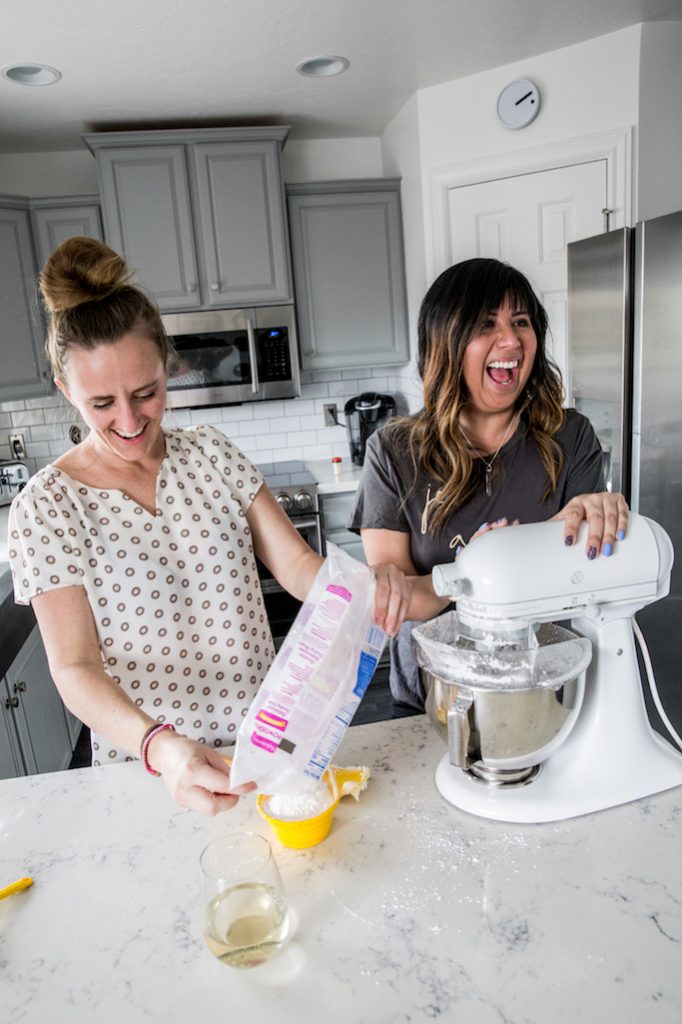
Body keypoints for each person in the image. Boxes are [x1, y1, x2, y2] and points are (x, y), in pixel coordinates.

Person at [7, 237, 412, 815]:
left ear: (168, 367)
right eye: (101, 403)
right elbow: (74, 668)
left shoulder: (212, 456)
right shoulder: (47, 508)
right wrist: (162, 748)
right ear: (66, 391)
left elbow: (298, 567)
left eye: (146, 393)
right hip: (147, 773)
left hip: (264, 754)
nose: (128, 421)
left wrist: (369, 591)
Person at [348, 257, 629, 713]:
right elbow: (395, 597)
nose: (511, 340)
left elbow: (584, 571)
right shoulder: (394, 452)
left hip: (543, 692)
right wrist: (477, 571)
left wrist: (599, 519)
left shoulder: (569, 437)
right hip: (434, 696)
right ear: (446, 342)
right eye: (485, 324)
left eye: (522, 321)